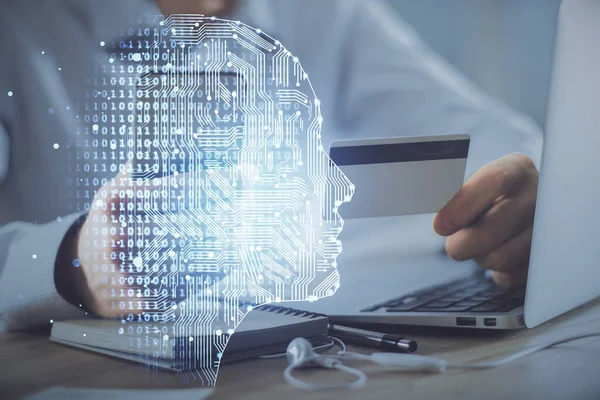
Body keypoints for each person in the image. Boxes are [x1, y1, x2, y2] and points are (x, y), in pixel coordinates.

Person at [0, 0, 542, 333]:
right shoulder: (18, 27)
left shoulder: (322, 11)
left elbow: (507, 147)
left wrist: (523, 198)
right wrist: (73, 262)